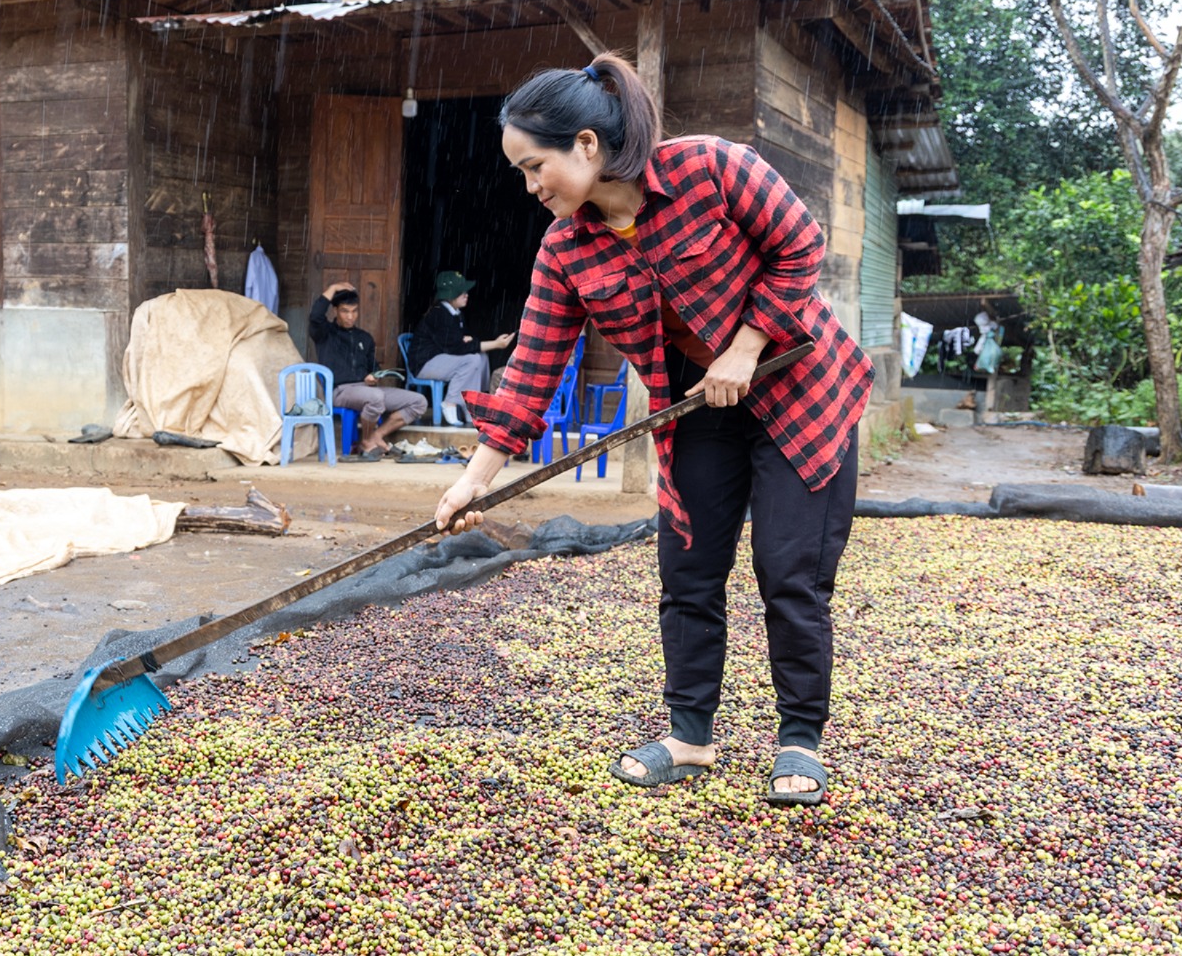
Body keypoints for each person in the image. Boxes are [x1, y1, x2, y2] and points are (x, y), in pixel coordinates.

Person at [435, 52, 873, 806]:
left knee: (789, 570)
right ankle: (690, 735)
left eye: (533, 166)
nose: (530, 187)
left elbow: (801, 241)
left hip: (800, 392)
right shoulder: (566, 250)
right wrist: (475, 480)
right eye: (519, 173)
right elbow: (534, 366)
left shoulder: (710, 167)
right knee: (689, 570)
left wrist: (744, 347)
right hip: (699, 408)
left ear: (586, 145)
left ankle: (799, 737)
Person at [307, 282, 428, 457]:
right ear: (335, 311)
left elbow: (373, 367)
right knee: (376, 398)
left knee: (419, 401)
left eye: (354, 311)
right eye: (345, 311)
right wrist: (333, 289)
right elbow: (315, 316)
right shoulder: (325, 333)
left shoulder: (364, 337)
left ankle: (374, 437)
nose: (350, 316)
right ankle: (367, 441)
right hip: (341, 391)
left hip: (367, 390)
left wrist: (374, 375)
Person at [409, 271, 514, 425]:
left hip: (443, 358)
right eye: (461, 292)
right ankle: (450, 402)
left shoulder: (456, 314)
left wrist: (466, 342)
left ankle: (472, 405)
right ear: (450, 295)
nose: (466, 295)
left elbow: (461, 342)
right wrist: (496, 344)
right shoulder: (439, 314)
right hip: (425, 363)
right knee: (472, 359)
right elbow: (458, 347)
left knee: (481, 356)